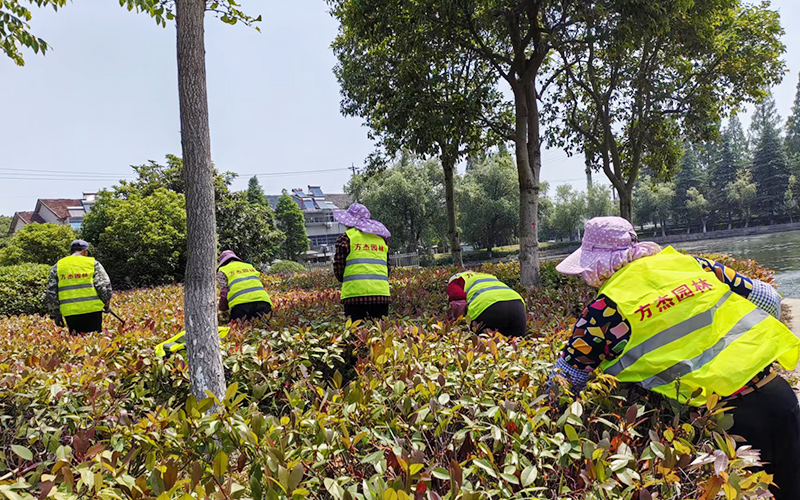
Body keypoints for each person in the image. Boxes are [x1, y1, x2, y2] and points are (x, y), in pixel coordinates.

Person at [549, 216, 800, 498]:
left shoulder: (603, 310)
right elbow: (769, 299)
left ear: (597, 264)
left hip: (725, 424)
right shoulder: (690, 265)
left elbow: (564, 382)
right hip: (777, 395)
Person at [333, 203, 391, 321]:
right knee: (381, 329)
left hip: (354, 295)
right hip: (381, 294)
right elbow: (387, 267)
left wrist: (347, 279)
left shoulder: (346, 238)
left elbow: (339, 266)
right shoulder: (381, 239)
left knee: (356, 330)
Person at [44, 239, 112, 334]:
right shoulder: (93, 263)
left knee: (76, 340)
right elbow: (104, 286)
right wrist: (107, 305)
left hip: (70, 312)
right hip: (93, 310)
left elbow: (51, 293)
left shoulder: (58, 266)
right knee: (94, 339)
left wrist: (55, 314)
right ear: (85, 251)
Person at [447, 271, 527, 337]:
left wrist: (453, 323)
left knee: (486, 344)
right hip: (517, 305)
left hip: (487, 309)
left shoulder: (456, 280)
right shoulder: (488, 276)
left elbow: (458, 302)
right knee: (516, 341)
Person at [217, 250, 273, 322]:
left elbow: (224, 293)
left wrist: (221, 308)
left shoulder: (223, 270)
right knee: (263, 326)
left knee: (238, 327)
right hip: (263, 302)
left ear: (223, 263)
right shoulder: (249, 266)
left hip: (241, 305)